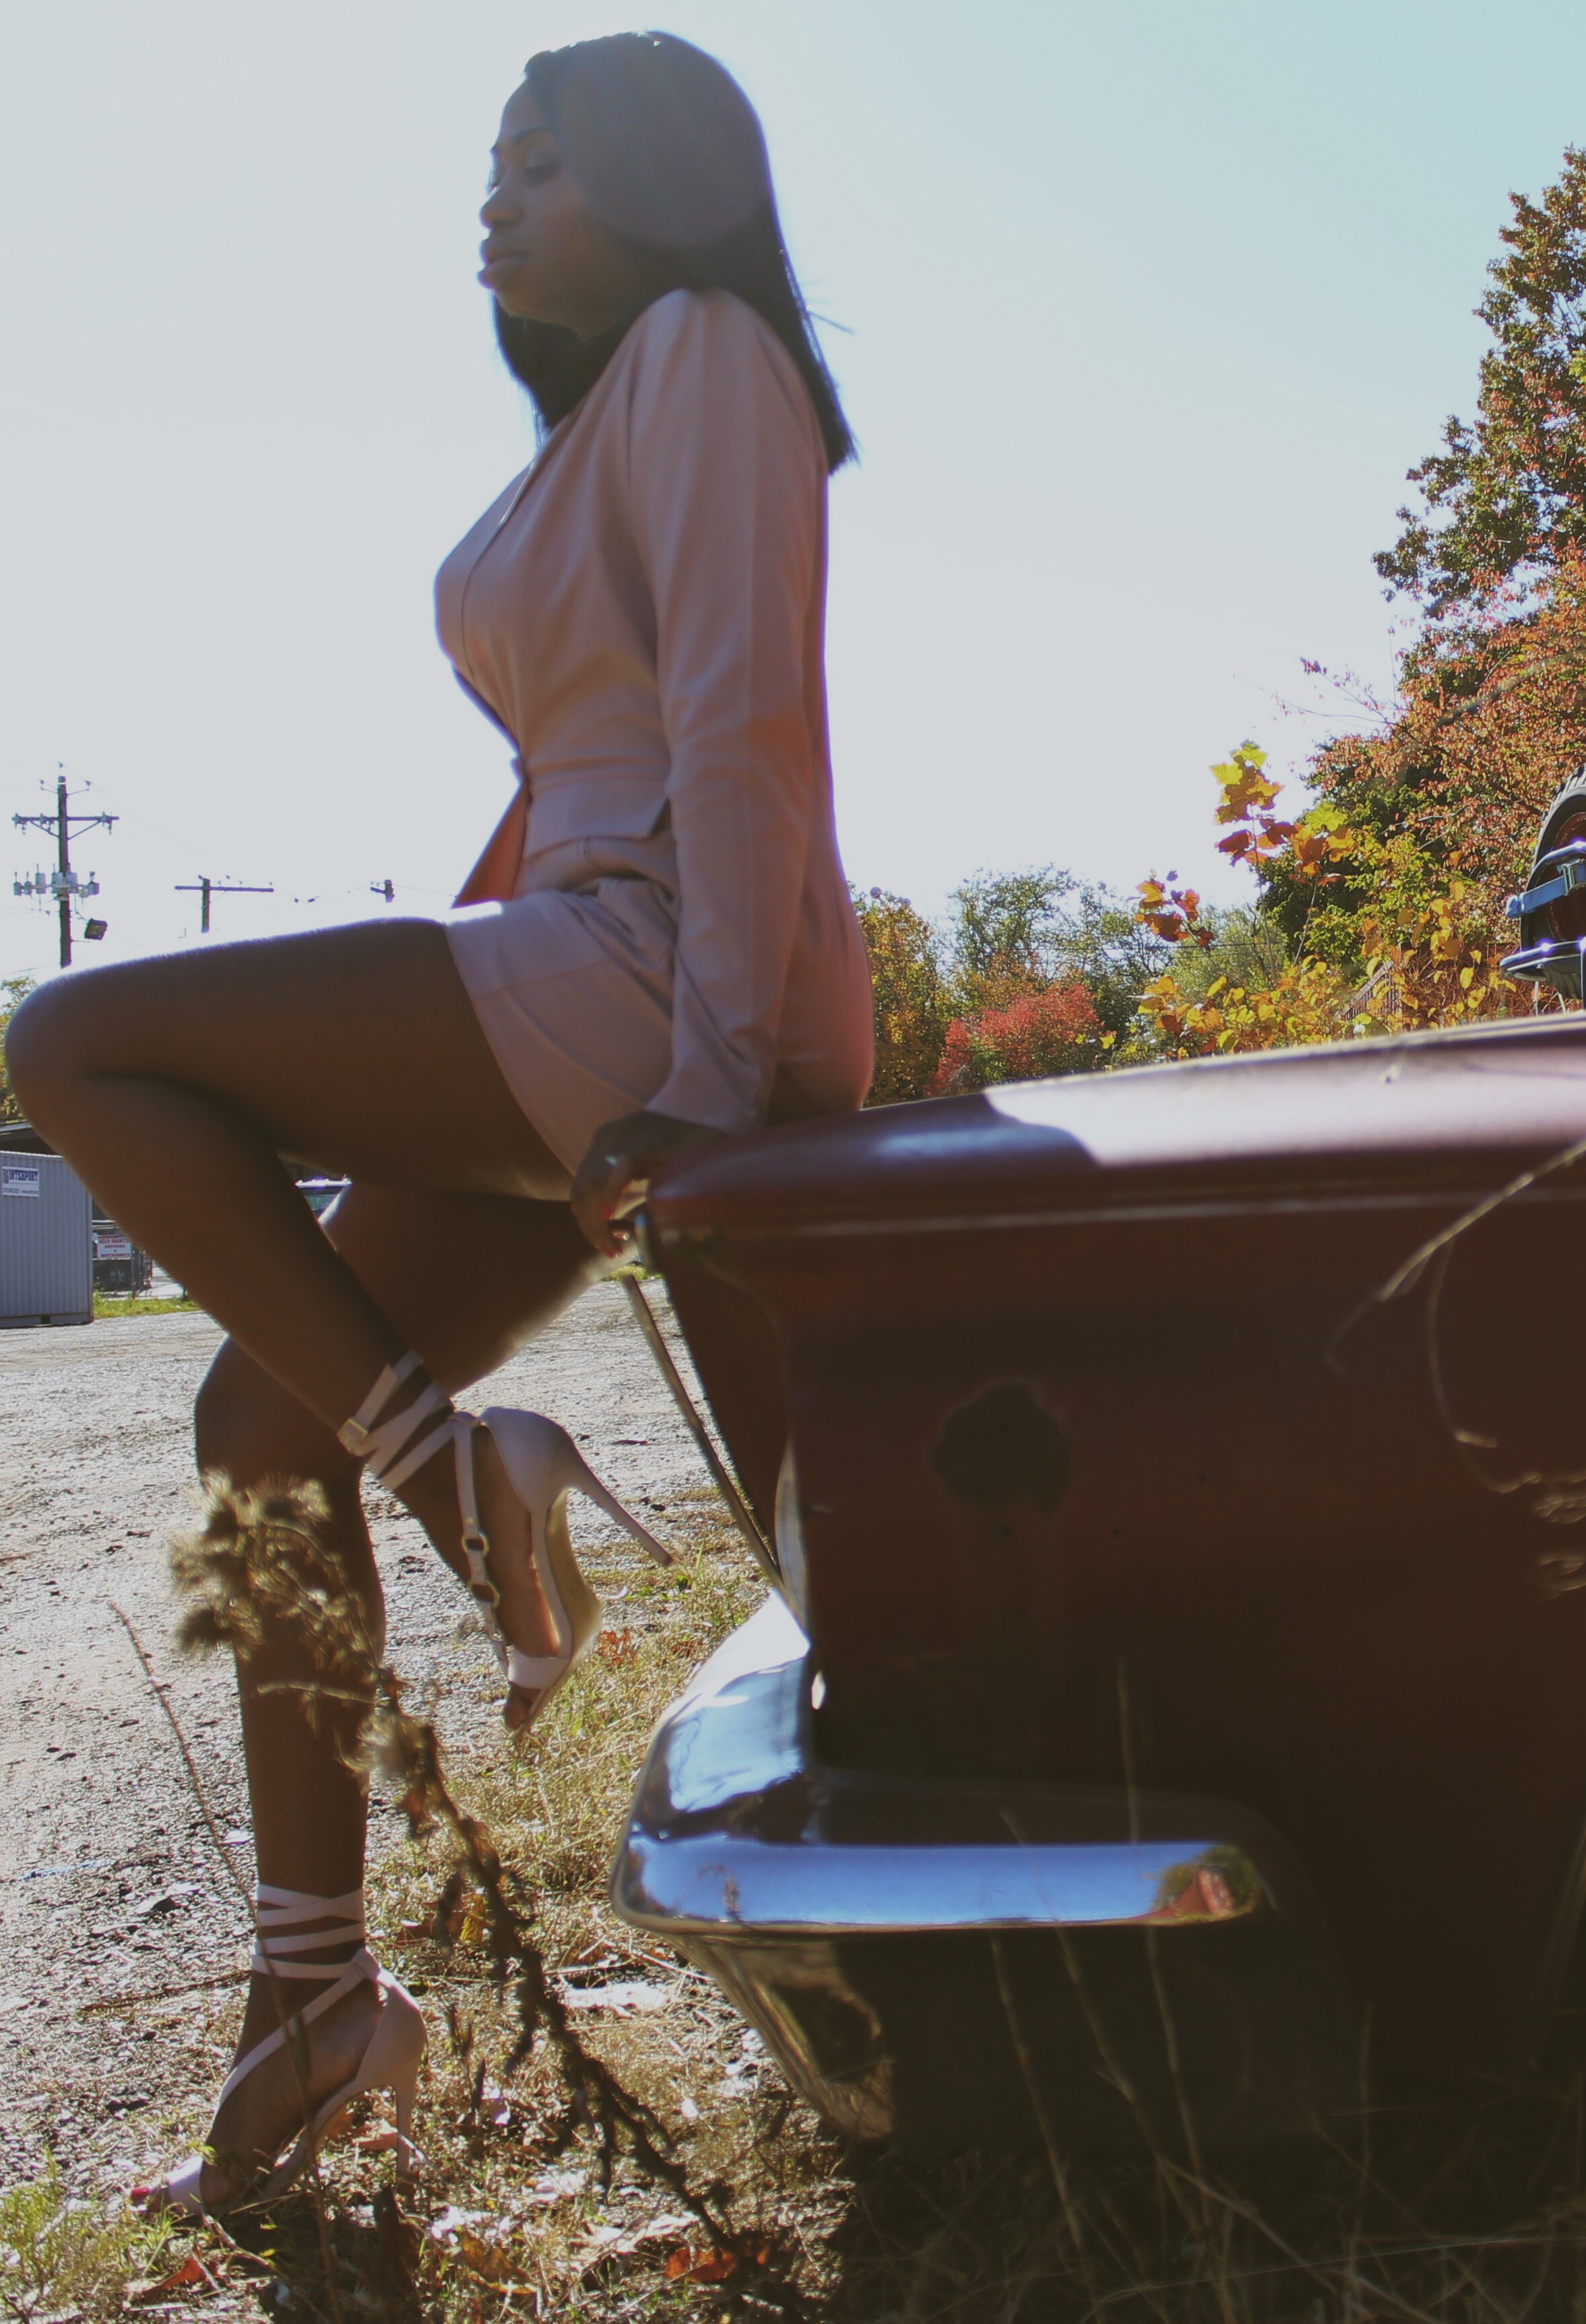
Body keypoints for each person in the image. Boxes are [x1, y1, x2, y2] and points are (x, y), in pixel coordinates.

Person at [4, 31, 873, 2216]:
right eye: (489, 162)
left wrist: (706, 1071)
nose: (494, 198)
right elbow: (583, 751)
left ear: (662, 178)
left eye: (541, 157)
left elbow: (742, 725)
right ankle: (315, 1992)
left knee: (75, 1035)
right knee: (252, 1411)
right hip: (585, 968)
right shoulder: (599, 418)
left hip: (658, 978)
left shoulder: (704, 347)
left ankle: (464, 1482)